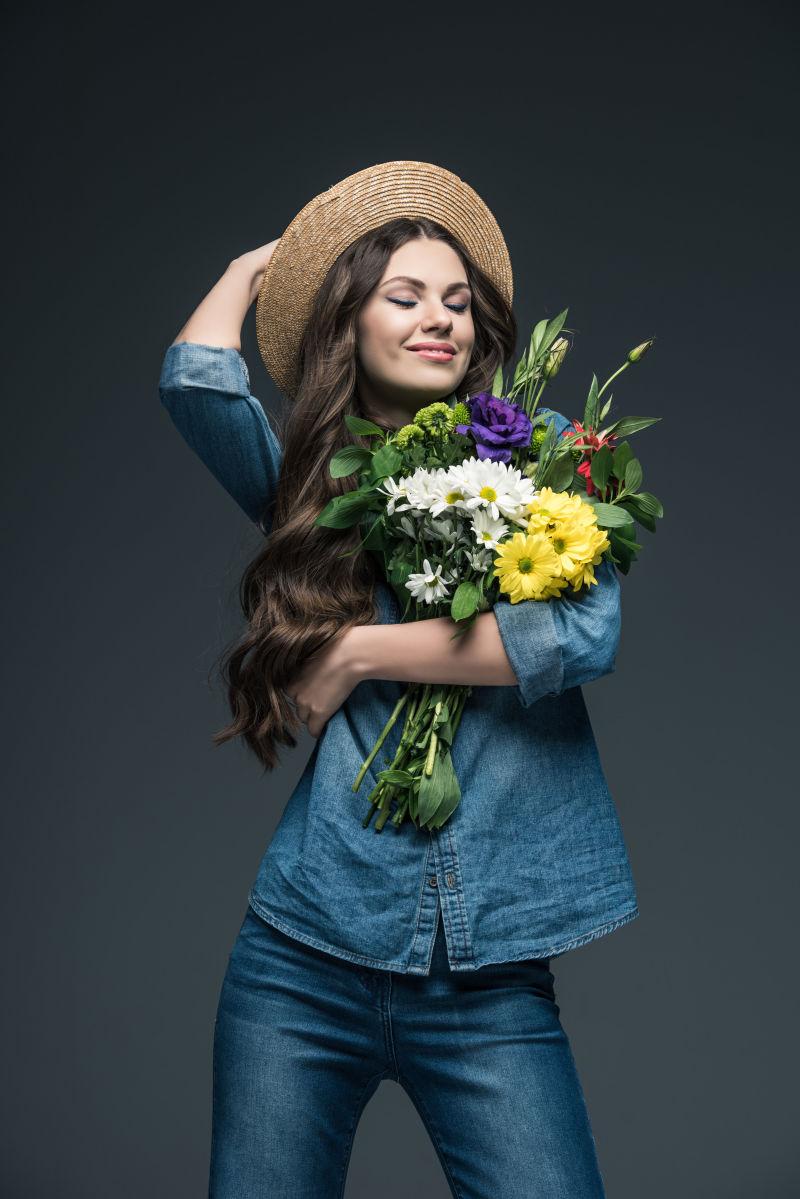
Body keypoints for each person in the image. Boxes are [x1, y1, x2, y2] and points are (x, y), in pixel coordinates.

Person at [158, 161, 639, 1198]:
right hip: (300, 957)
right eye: (405, 296)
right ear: (350, 321)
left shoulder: (542, 452)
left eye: (458, 302)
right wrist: (271, 263)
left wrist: (357, 651)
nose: (441, 320)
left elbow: (573, 633)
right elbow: (197, 377)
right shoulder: (318, 482)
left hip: (490, 978)